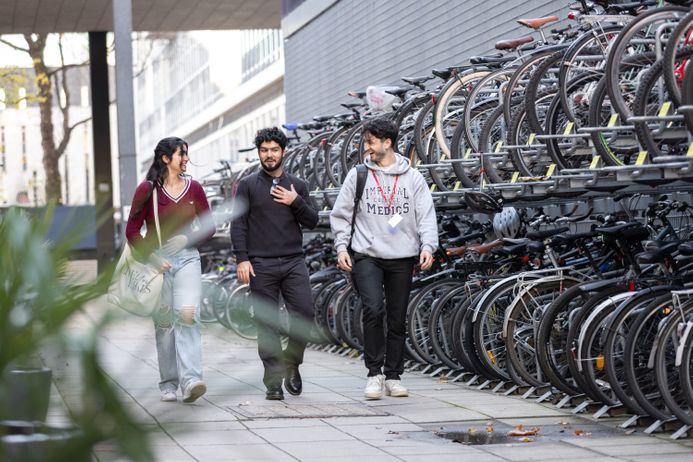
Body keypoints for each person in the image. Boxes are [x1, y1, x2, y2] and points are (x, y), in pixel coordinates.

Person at [329, 117, 438, 400]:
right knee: (373, 310)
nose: (366, 148)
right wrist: (342, 248)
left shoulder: (412, 178)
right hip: (367, 255)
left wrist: (428, 246)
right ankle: (374, 374)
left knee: (397, 318)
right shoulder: (359, 175)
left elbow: (425, 215)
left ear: (387, 143)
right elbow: (340, 214)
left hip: (402, 256)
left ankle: (393, 375)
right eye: (366, 142)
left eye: (370, 142)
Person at [231, 127, 319, 400]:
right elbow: (238, 224)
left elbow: (313, 220)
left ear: (283, 151)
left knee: (304, 314)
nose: (269, 155)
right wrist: (242, 259)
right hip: (260, 264)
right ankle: (272, 381)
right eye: (264, 150)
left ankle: (292, 363)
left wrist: (295, 201)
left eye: (274, 150)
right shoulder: (247, 185)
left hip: (294, 261)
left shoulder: (298, 185)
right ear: (259, 153)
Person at [125, 137, 215, 403]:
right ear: (166, 158)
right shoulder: (147, 190)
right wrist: (152, 257)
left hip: (188, 260)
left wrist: (188, 239)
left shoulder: (194, 188)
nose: (186, 158)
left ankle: (191, 381)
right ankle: (168, 383)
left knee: (188, 315)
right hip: (158, 265)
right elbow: (132, 231)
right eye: (181, 154)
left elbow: (209, 226)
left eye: (186, 154)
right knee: (164, 324)